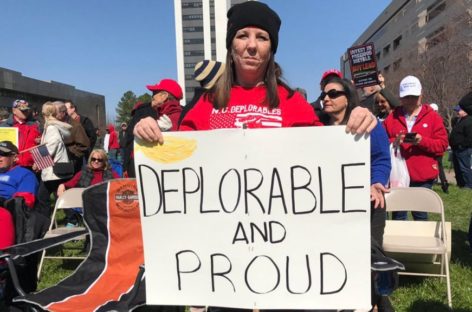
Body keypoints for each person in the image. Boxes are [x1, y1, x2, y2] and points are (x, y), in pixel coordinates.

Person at [134, 2, 377, 311]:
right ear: (230, 45)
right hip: (224, 257)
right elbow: (182, 163)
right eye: (243, 36)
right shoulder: (207, 103)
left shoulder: (293, 102)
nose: (251, 45)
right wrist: (150, 133)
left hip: (284, 253)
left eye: (262, 37)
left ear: (270, 49)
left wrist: (356, 120)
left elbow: (325, 157)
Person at [320, 76, 392, 312]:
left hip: (368, 204)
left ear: (347, 97)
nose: (326, 99)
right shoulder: (318, 127)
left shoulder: (368, 123)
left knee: (369, 262)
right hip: (333, 208)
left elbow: (381, 158)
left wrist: (376, 183)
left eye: (333, 94)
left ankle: (377, 303)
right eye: (323, 95)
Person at [383, 75, 448, 221]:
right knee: (398, 214)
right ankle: (399, 243)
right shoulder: (392, 117)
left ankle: (421, 243)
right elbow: (382, 140)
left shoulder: (433, 117)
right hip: (398, 175)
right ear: (400, 97)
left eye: (414, 96)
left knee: (420, 215)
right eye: (407, 97)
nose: (411, 100)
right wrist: (395, 141)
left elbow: (442, 145)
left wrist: (421, 141)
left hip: (422, 176)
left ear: (421, 94)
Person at [123, 79, 183, 177]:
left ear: (164, 96)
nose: (152, 96)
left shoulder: (177, 116)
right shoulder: (157, 113)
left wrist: (170, 132)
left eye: (155, 92)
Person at [57, 149, 119, 226]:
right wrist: (61, 185)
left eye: (99, 160)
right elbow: (69, 184)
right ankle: (74, 219)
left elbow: (120, 186)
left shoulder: (111, 174)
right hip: (87, 207)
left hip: (105, 208)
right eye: (94, 159)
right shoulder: (83, 173)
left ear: (104, 161)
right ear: (90, 160)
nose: (96, 161)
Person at [34, 102, 72, 218]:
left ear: (44, 114)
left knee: (44, 198)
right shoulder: (53, 127)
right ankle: (73, 218)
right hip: (55, 169)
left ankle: (46, 223)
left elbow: (51, 147)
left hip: (53, 170)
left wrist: (37, 163)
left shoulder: (51, 128)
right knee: (59, 197)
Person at [0, 141, 39, 249]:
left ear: (15, 157)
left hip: (6, 210)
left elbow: (25, 201)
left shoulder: (24, 174)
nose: (0, 157)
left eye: (3, 154)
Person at [179, 60, 225, 125]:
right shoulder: (213, 105)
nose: (230, 80)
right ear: (216, 79)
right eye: (226, 77)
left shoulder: (189, 108)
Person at [0, 100, 41, 170]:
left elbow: (41, 146)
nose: (25, 112)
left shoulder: (37, 126)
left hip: (30, 167)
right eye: (22, 110)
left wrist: (39, 162)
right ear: (14, 110)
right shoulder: (3, 127)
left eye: (26, 110)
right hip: (9, 167)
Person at [54, 101, 90, 174]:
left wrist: (68, 152)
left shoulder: (75, 126)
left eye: (55, 112)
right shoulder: (54, 125)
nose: (52, 115)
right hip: (56, 165)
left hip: (72, 165)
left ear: (63, 112)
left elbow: (84, 145)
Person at [449, 92, 472, 189]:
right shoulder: (459, 120)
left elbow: (470, 137)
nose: (457, 112)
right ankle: (460, 184)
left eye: (459, 110)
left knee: (464, 168)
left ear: (465, 111)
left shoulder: (469, 120)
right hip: (456, 149)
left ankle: (468, 185)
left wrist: (462, 145)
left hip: (463, 149)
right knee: (457, 168)